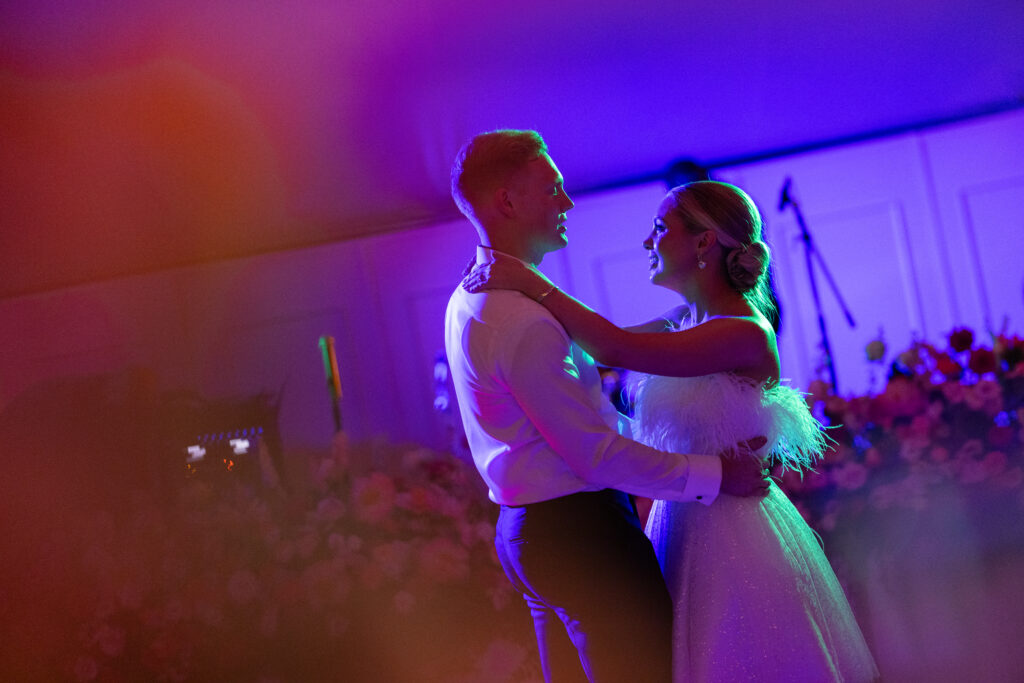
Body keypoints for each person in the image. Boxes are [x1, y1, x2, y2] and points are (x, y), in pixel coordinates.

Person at [464, 180, 880, 682]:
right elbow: (595, 347)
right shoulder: (687, 318)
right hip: (685, 516)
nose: (647, 242)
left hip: (733, 528)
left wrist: (528, 282)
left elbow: (615, 348)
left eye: (660, 228)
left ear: (704, 243)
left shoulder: (744, 331)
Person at [445, 131, 770, 682]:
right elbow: (595, 445)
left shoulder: (475, 298)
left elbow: (600, 384)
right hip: (580, 536)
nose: (568, 202)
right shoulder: (519, 317)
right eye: (553, 188)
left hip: (539, 529)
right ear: (507, 202)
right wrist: (714, 474)